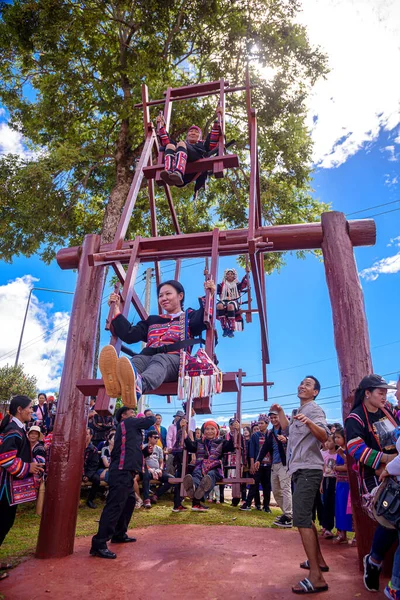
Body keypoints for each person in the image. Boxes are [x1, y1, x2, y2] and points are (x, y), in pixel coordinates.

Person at [99, 279, 216, 407]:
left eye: (168, 294)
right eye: (160, 296)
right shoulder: (153, 320)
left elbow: (204, 318)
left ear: (180, 296)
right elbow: (129, 335)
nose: (164, 298)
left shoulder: (189, 316)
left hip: (176, 359)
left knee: (160, 360)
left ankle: (139, 385)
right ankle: (116, 382)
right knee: (135, 362)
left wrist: (210, 295)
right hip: (148, 356)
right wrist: (115, 308)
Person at [273, 376, 330, 594]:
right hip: (299, 470)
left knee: (302, 520)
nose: (301, 386)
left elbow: (324, 436)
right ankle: (319, 561)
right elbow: (288, 432)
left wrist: (309, 422)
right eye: (301, 383)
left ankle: (316, 577)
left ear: (315, 392)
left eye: (307, 384)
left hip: (308, 470)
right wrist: (280, 413)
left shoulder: (314, 410)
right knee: (306, 517)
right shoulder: (300, 410)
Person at [345, 374, 399, 595]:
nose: (385, 396)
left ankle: (376, 562)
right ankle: (375, 562)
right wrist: (386, 461)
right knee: (388, 520)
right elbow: (355, 449)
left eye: (387, 392)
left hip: (395, 473)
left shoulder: (391, 413)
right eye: (380, 392)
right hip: (373, 477)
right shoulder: (356, 418)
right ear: (367, 393)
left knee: (394, 522)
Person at [90, 408, 156, 558]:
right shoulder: (127, 423)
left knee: (129, 501)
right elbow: (150, 421)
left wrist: (145, 452)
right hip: (121, 472)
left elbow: (130, 451)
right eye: (131, 412)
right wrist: (150, 415)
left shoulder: (129, 432)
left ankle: (119, 534)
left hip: (126, 472)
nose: (134, 414)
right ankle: (99, 543)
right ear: (123, 416)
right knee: (114, 506)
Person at [0, 396, 43, 579]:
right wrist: (29, 467)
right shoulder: (14, 431)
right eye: (30, 408)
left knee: (4, 523)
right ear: (19, 409)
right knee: (2, 523)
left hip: (7, 487)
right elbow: (6, 460)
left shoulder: (16, 429)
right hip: (4, 489)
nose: (32, 411)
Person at [156, 106, 223, 190]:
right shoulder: (180, 145)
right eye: (191, 131)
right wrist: (161, 127)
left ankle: (178, 172)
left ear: (200, 137)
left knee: (180, 144)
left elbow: (213, 140)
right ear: (187, 136)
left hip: (195, 161)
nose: (193, 133)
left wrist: (218, 120)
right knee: (170, 146)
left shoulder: (202, 145)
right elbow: (166, 141)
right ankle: (169, 172)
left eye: (196, 132)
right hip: (181, 170)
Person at [182, 419, 238, 512]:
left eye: (212, 429)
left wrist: (234, 431)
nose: (209, 431)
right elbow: (190, 446)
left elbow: (231, 447)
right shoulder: (199, 441)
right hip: (200, 466)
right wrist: (183, 431)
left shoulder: (221, 442)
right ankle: (193, 489)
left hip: (215, 468)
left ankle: (196, 498)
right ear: (204, 431)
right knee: (196, 474)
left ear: (217, 431)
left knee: (210, 476)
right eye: (207, 429)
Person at [255, 410, 292, 527]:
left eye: (275, 417)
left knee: (286, 488)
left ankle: (289, 515)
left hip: (285, 463)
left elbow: (296, 441)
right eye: (271, 418)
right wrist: (258, 460)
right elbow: (265, 447)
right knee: (276, 491)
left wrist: (287, 440)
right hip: (274, 464)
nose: (273, 420)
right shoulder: (270, 433)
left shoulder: (287, 429)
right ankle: (287, 514)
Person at [240, 414, 271, 513]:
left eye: (262, 423)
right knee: (254, 485)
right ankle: (248, 504)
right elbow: (252, 451)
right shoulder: (255, 435)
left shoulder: (270, 434)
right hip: (258, 465)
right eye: (259, 423)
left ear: (267, 424)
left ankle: (266, 506)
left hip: (268, 465)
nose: (260, 425)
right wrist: (252, 464)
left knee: (267, 486)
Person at [332, 428, 352, 545]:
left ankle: (355, 536)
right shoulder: (338, 450)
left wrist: (336, 467)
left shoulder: (349, 450)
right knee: (339, 509)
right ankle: (342, 534)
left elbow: (348, 466)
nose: (336, 440)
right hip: (340, 483)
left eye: (339, 437)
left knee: (349, 510)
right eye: (335, 437)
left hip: (349, 485)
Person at [142, 430, 172, 508]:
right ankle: (146, 499)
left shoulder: (159, 449)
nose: (157, 439)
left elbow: (161, 462)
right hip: (147, 470)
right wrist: (150, 469)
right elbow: (142, 461)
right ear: (149, 438)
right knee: (146, 475)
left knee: (172, 479)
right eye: (155, 437)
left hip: (157, 470)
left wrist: (160, 469)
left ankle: (156, 495)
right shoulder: (143, 447)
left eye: (158, 438)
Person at [216, 268, 248, 338]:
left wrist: (247, 275)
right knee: (219, 306)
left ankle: (231, 328)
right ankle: (224, 327)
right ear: (225, 276)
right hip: (223, 301)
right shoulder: (221, 285)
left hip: (234, 301)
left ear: (234, 276)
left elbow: (243, 284)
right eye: (228, 274)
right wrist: (208, 280)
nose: (230, 275)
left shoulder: (237, 284)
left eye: (231, 274)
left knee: (230, 305)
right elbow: (214, 288)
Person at [319, 434, 337, 539]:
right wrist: (321, 483)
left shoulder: (339, 455)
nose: (327, 443)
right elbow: (323, 470)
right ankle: (327, 527)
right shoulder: (324, 455)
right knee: (326, 503)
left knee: (334, 504)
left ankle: (338, 529)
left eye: (329, 441)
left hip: (335, 480)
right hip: (326, 479)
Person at [83, 428, 101, 509]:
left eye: (86, 434)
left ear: (91, 436)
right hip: (78, 471)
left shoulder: (94, 449)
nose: (84, 436)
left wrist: (87, 475)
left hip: (88, 470)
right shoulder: (77, 447)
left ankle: (90, 500)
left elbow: (94, 465)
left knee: (97, 479)